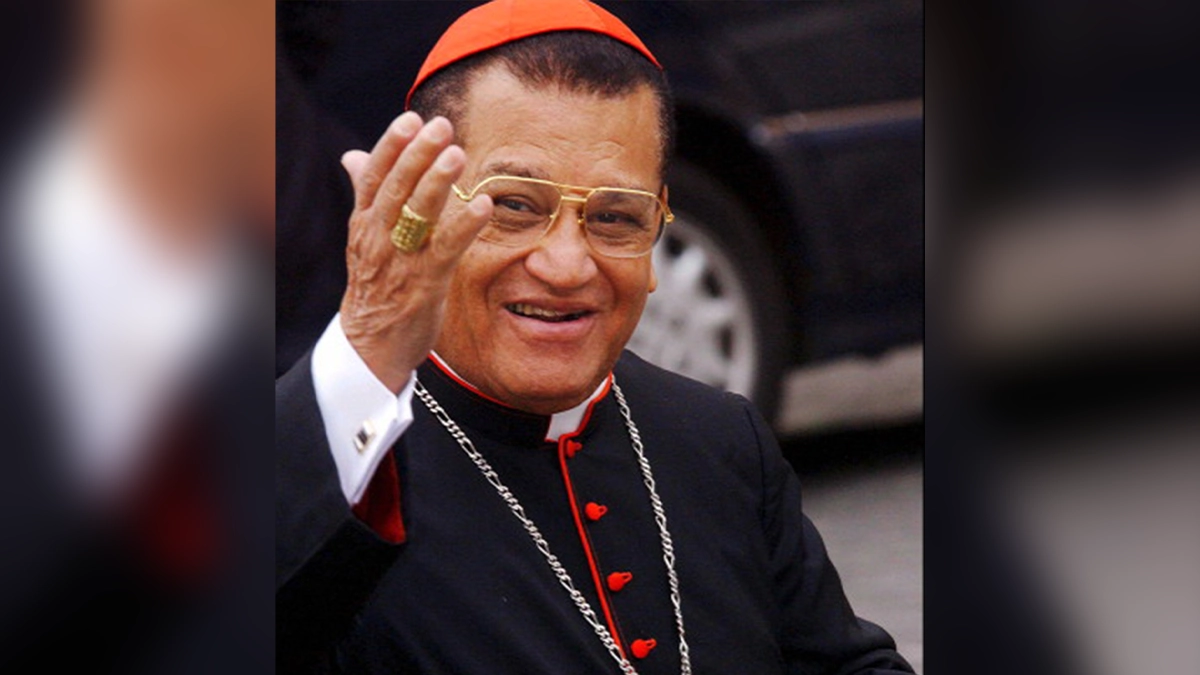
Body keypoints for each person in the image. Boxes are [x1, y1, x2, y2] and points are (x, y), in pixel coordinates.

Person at [276, 1, 915, 673]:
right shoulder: (330, 468)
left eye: (615, 217)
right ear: (426, 204)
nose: (567, 266)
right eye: (515, 205)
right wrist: (370, 339)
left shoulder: (722, 441)